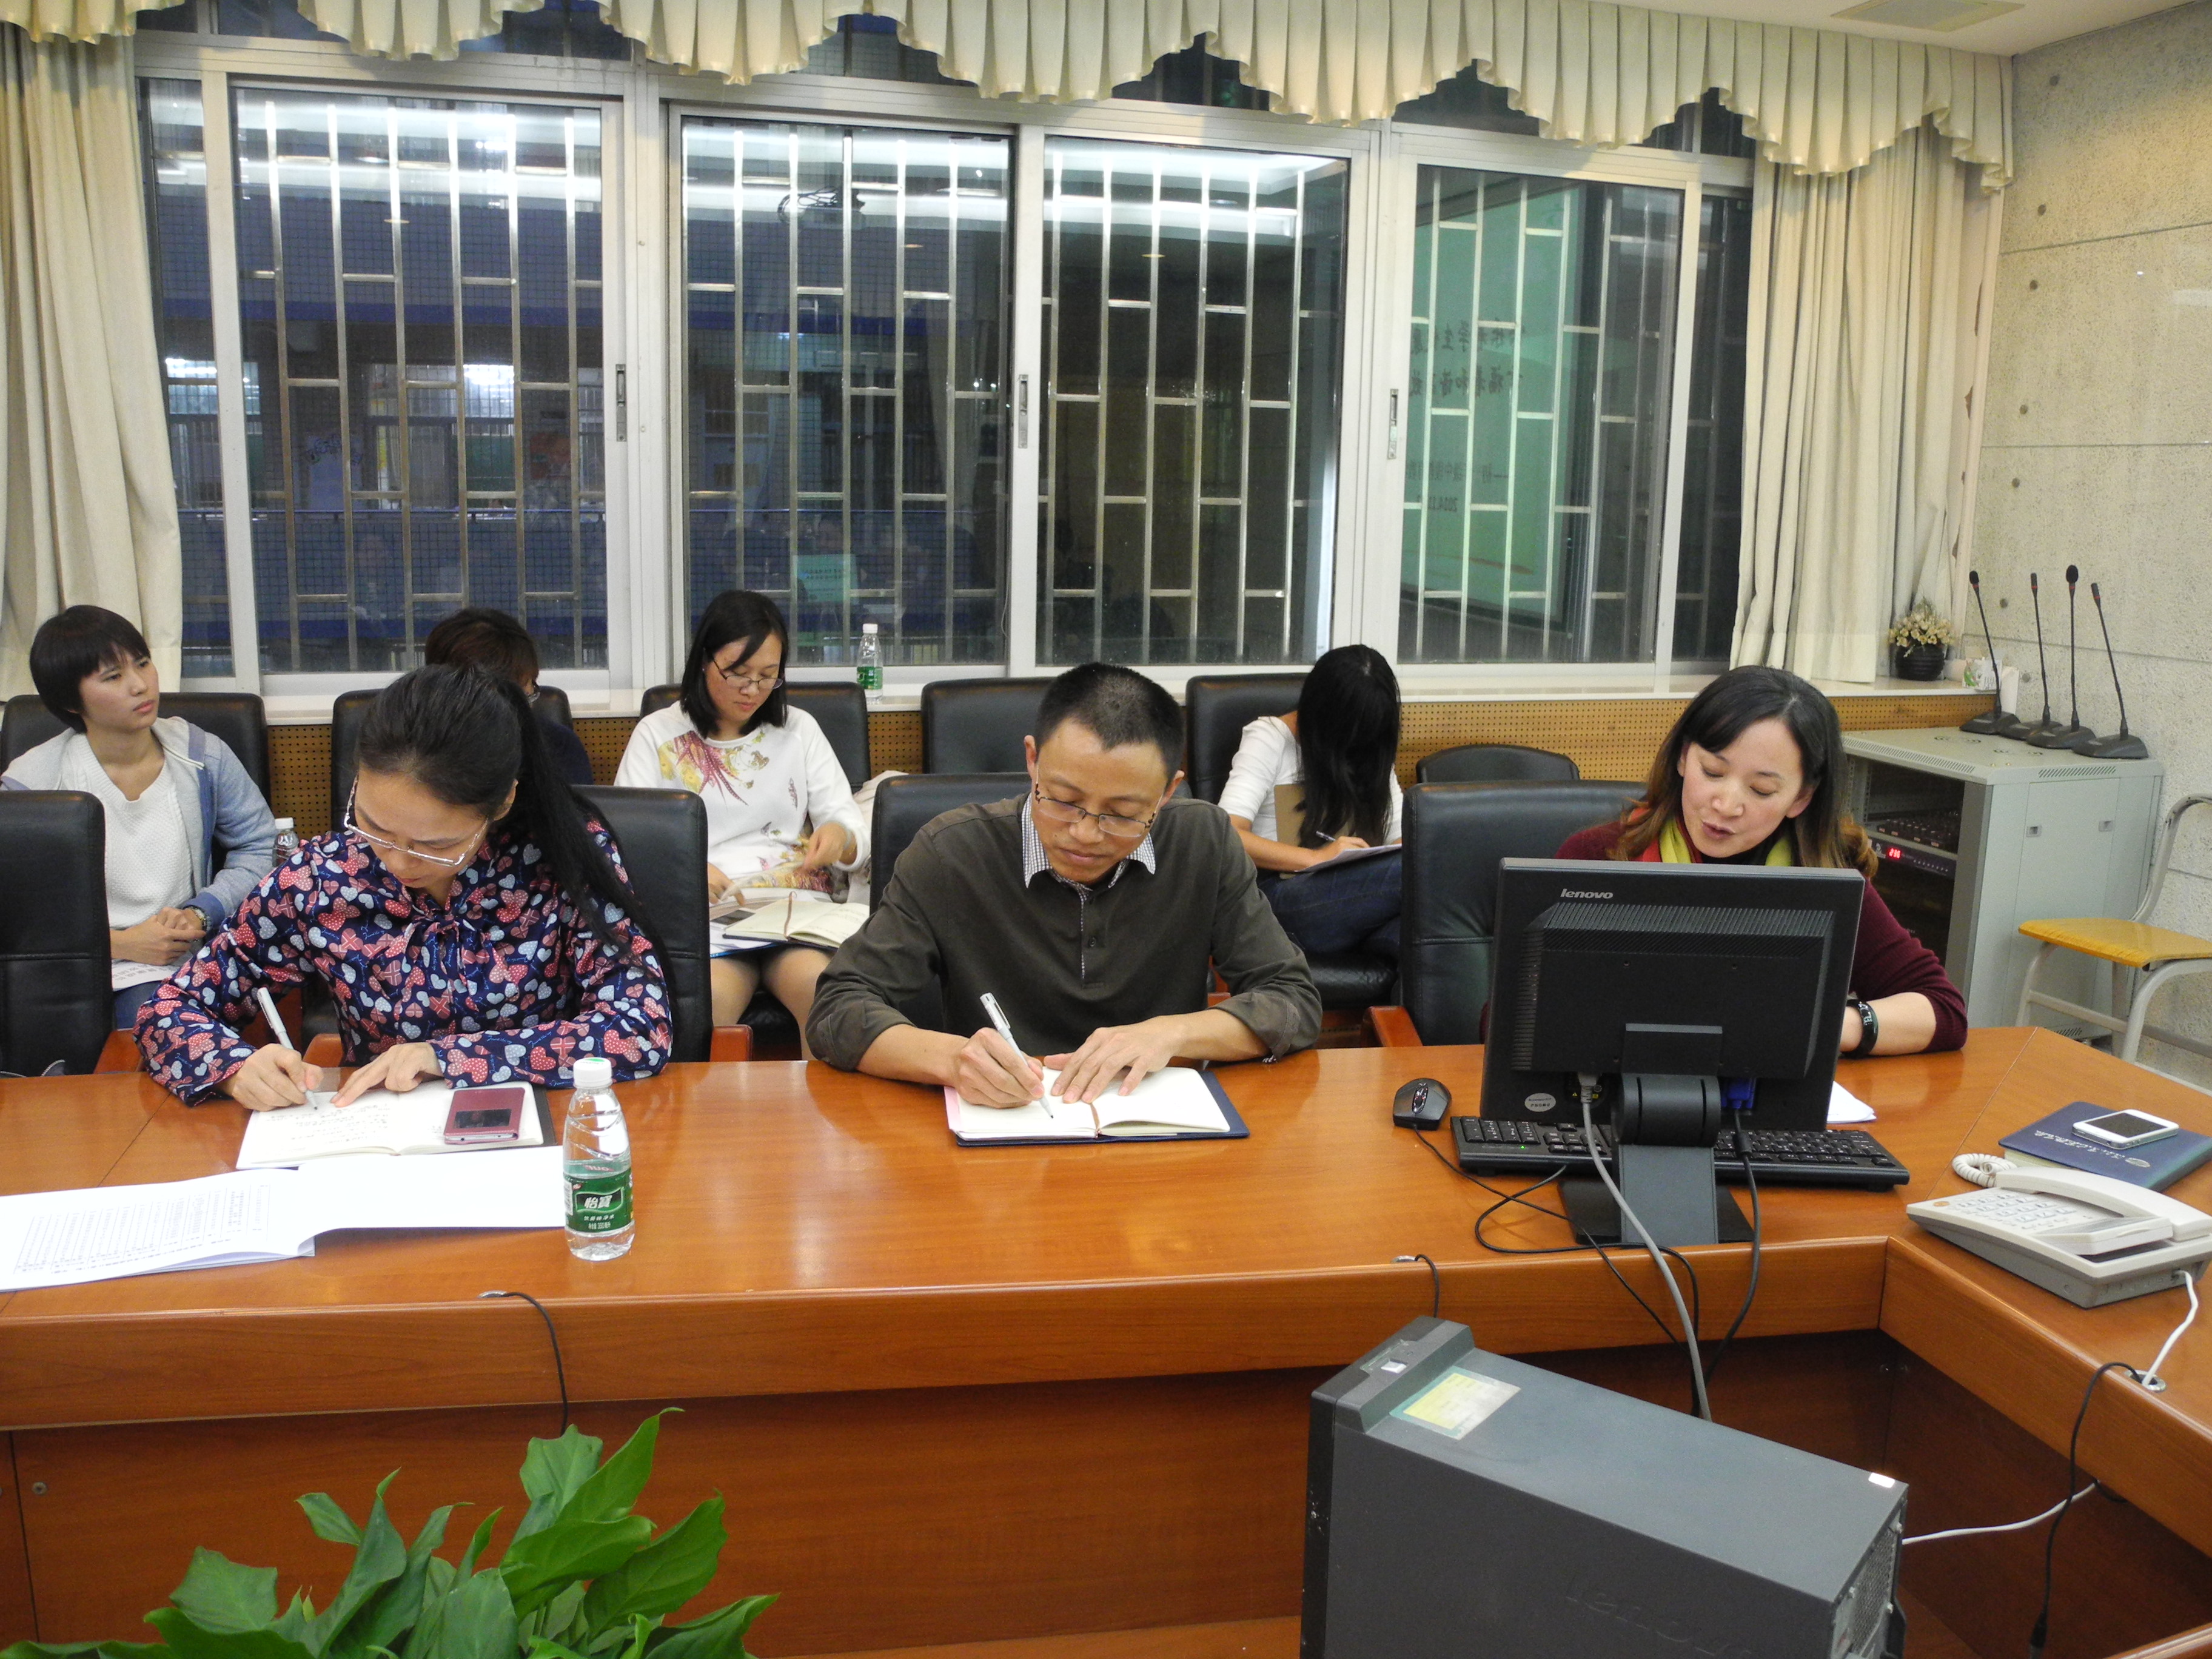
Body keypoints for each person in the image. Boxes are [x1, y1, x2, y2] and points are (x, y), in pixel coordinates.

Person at [137, 665, 672, 1108]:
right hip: (377, 1140)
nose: (397, 862)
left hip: (540, 1130)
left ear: (502, 803)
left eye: (435, 845)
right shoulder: (320, 878)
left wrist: (449, 1058)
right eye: (373, 826)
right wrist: (233, 1067)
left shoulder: (561, 857)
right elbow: (169, 1008)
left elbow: (640, 1027)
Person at [808, 663, 1322, 1107]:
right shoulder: (951, 854)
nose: (1085, 834)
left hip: (1155, 1130)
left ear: (1167, 792)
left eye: (1123, 814)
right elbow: (838, 1008)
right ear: (1033, 760)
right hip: (1002, 1129)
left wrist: (1175, 1032)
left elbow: (1292, 999)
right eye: (1063, 800)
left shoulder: (1204, 842)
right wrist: (952, 1059)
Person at [1556, 665, 1966, 1055]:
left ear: (1801, 797)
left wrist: (1821, 1026)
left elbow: (1942, 1010)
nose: (1726, 805)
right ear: (1683, 758)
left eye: (1761, 790)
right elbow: (1525, 1008)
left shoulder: (1821, 877)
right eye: (1712, 772)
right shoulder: (1597, 857)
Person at [4, 606, 276, 1028]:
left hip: (180, 958)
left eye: (143, 663)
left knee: (161, 1027)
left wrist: (201, 912)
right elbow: (17, 908)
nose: (140, 684)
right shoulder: (31, 784)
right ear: (70, 701)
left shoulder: (202, 755)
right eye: (113, 677)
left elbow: (260, 845)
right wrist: (119, 944)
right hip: (75, 965)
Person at [615, 589, 866, 1034]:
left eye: (768, 676)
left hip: (794, 912)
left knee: (826, 999)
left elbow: (850, 829)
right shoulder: (658, 734)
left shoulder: (798, 729)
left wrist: (839, 839)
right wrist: (686, 873)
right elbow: (628, 844)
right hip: (710, 915)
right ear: (704, 661)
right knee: (706, 1013)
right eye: (738, 674)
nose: (753, 690)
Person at [1219, 645, 1404, 958]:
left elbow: (1401, 839)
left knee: (1423, 933)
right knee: (1421, 870)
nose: (1356, 742)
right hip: (1281, 897)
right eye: (1349, 730)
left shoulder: (1371, 748)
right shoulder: (1270, 738)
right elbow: (1226, 834)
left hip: (1358, 905)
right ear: (1322, 714)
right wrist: (1317, 858)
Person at [423, 606, 594, 786]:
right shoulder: (413, 753)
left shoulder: (557, 745)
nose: (522, 709)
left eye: (528, 695)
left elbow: (574, 805)